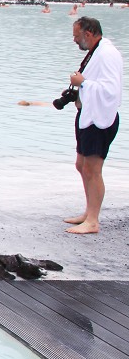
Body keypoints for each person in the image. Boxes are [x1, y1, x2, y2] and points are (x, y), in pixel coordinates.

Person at [65, 16, 122, 234]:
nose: (74, 40)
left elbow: (111, 90)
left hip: (101, 118)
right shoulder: (96, 51)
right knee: (81, 165)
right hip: (88, 114)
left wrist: (83, 83)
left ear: (88, 34)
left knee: (93, 169)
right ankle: (88, 213)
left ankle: (93, 221)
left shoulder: (107, 53)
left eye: (76, 36)